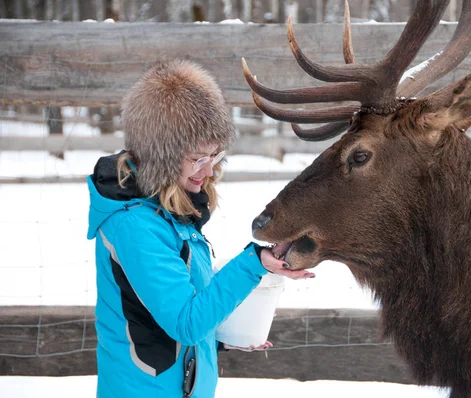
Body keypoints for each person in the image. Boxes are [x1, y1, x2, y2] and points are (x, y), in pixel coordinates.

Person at [86, 59, 315, 398]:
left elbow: (167, 316)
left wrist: (225, 334)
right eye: (197, 158)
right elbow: (186, 323)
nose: (208, 171)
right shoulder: (135, 226)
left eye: (214, 155)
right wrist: (254, 263)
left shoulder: (171, 213)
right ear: (160, 155)